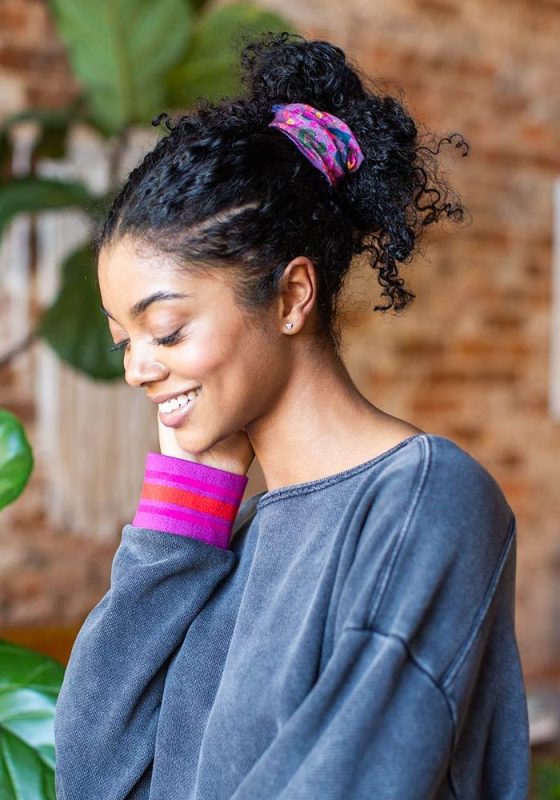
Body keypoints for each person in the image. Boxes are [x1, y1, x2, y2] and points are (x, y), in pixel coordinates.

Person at [53, 31, 530, 800]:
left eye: (167, 329)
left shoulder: (426, 501)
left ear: (291, 296)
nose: (138, 367)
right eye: (124, 341)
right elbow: (92, 775)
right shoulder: (226, 547)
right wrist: (179, 522)